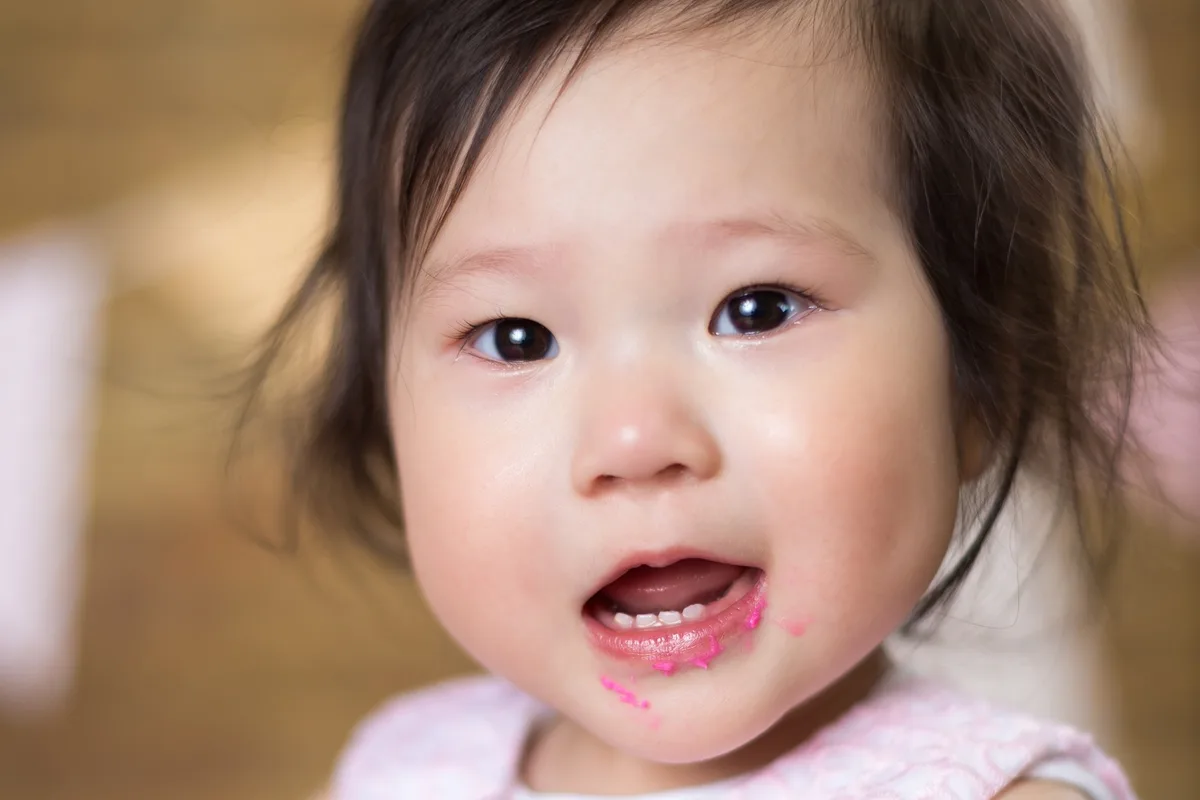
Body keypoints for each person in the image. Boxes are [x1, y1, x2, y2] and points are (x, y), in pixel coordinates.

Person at [245, 1, 1151, 797]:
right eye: (516, 338)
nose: (636, 439)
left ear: (977, 372)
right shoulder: (399, 774)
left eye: (754, 312)